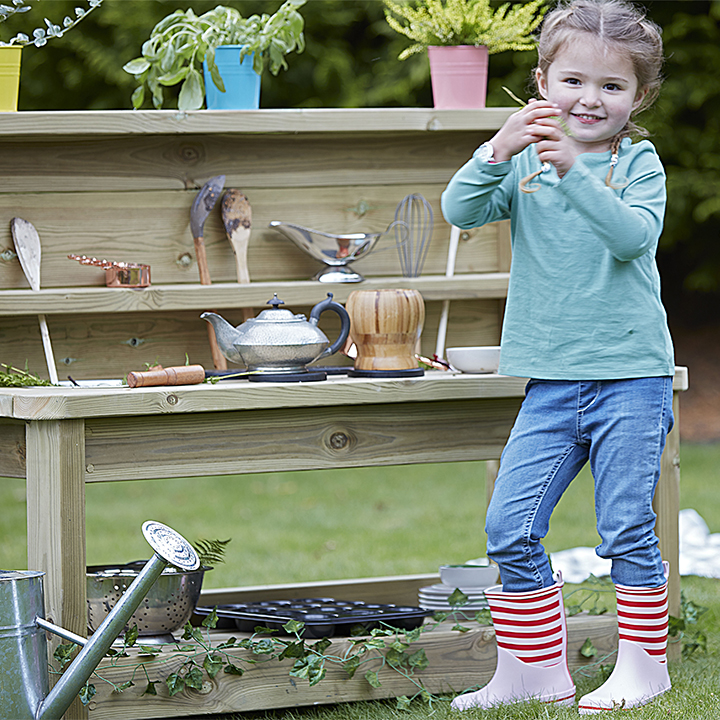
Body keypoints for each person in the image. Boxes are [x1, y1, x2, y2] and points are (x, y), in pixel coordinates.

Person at [440, 0, 673, 714]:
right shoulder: (525, 164)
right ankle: (533, 670)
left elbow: (631, 238)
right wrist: (497, 149)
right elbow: (459, 210)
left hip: (631, 376)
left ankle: (645, 669)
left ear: (638, 96)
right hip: (550, 382)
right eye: (574, 81)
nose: (591, 99)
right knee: (508, 527)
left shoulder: (637, 162)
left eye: (613, 87)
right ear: (543, 81)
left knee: (627, 526)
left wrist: (572, 170)